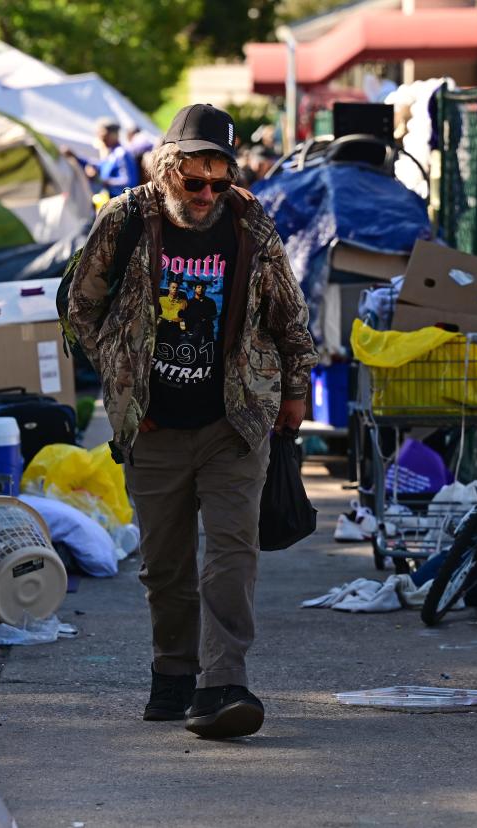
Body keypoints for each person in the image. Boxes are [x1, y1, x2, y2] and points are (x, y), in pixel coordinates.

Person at [67, 104, 317, 739]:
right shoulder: (125, 219)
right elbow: (80, 308)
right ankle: (173, 676)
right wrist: (123, 384)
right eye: (194, 180)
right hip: (154, 426)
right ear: (167, 168)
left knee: (231, 555)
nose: (206, 195)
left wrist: (293, 391)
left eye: (219, 180)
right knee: (165, 565)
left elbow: (289, 314)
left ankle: (223, 683)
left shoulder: (249, 222)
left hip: (234, 421)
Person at [72, 119, 140, 198]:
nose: (101, 138)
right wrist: (76, 157)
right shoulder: (111, 154)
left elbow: (128, 182)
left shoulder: (122, 154)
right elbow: (97, 165)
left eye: (104, 135)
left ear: (113, 135)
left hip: (122, 204)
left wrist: (101, 181)